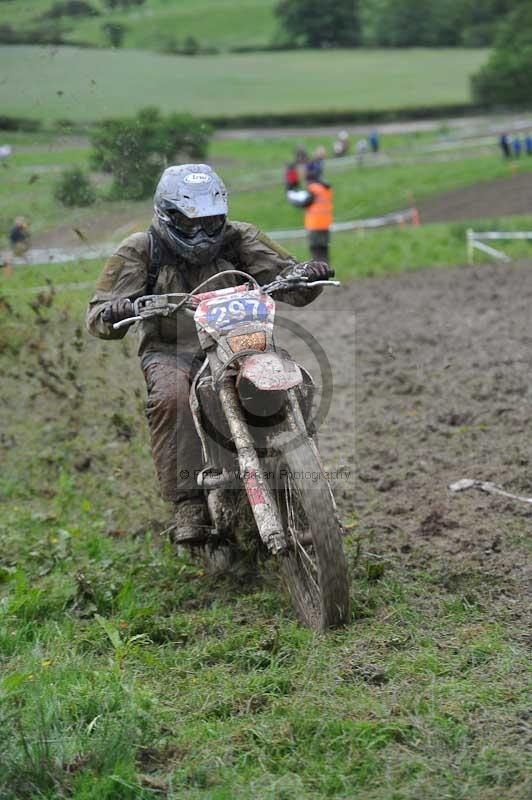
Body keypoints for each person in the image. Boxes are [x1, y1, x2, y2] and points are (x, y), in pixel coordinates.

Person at [86, 164, 331, 543]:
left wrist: (308, 273)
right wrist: (118, 309)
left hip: (240, 341)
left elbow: (292, 281)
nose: (201, 234)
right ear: (167, 216)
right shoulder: (139, 249)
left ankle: (306, 480)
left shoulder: (241, 237)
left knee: (293, 378)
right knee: (170, 398)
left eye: (210, 222)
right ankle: (189, 503)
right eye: (189, 223)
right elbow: (98, 314)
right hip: (173, 349)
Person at [287, 163, 333, 263]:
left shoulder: (313, 189)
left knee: (316, 256)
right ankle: (327, 274)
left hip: (315, 227)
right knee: (324, 254)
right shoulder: (325, 188)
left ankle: (321, 276)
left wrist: (290, 191)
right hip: (325, 226)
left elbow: (302, 201)